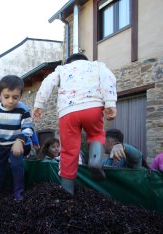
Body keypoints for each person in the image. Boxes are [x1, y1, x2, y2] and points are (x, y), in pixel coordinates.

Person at [33, 53, 117, 195]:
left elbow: (48, 82)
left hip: (68, 112)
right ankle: (95, 162)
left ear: (68, 63)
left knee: (69, 151)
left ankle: (67, 191)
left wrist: (39, 104)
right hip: (93, 107)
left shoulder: (62, 69)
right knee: (96, 134)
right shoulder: (97, 66)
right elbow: (108, 79)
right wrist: (110, 103)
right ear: (85, 61)